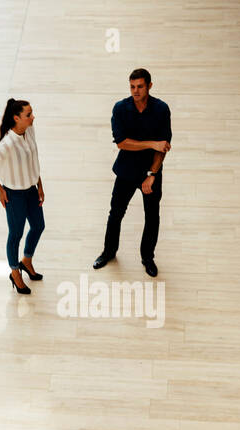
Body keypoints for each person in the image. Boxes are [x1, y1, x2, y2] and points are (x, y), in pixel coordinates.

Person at [93, 68, 171, 276]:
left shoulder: (162, 109)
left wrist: (152, 174)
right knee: (116, 213)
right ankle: (109, 252)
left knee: (152, 217)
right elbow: (122, 143)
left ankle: (148, 258)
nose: (135, 91)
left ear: (149, 86)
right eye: (132, 86)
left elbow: (163, 148)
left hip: (151, 173)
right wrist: (152, 144)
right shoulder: (120, 108)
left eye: (140, 86)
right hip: (126, 171)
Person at [0, 98, 45, 295]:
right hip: (14, 195)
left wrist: (39, 184)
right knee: (15, 234)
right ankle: (15, 273)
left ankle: (27, 261)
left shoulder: (29, 130)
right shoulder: (6, 145)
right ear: (16, 118)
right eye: (28, 115)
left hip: (32, 190)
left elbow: (34, 160)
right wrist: (1, 189)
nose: (33, 117)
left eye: (32, 113)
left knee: (39, 226)